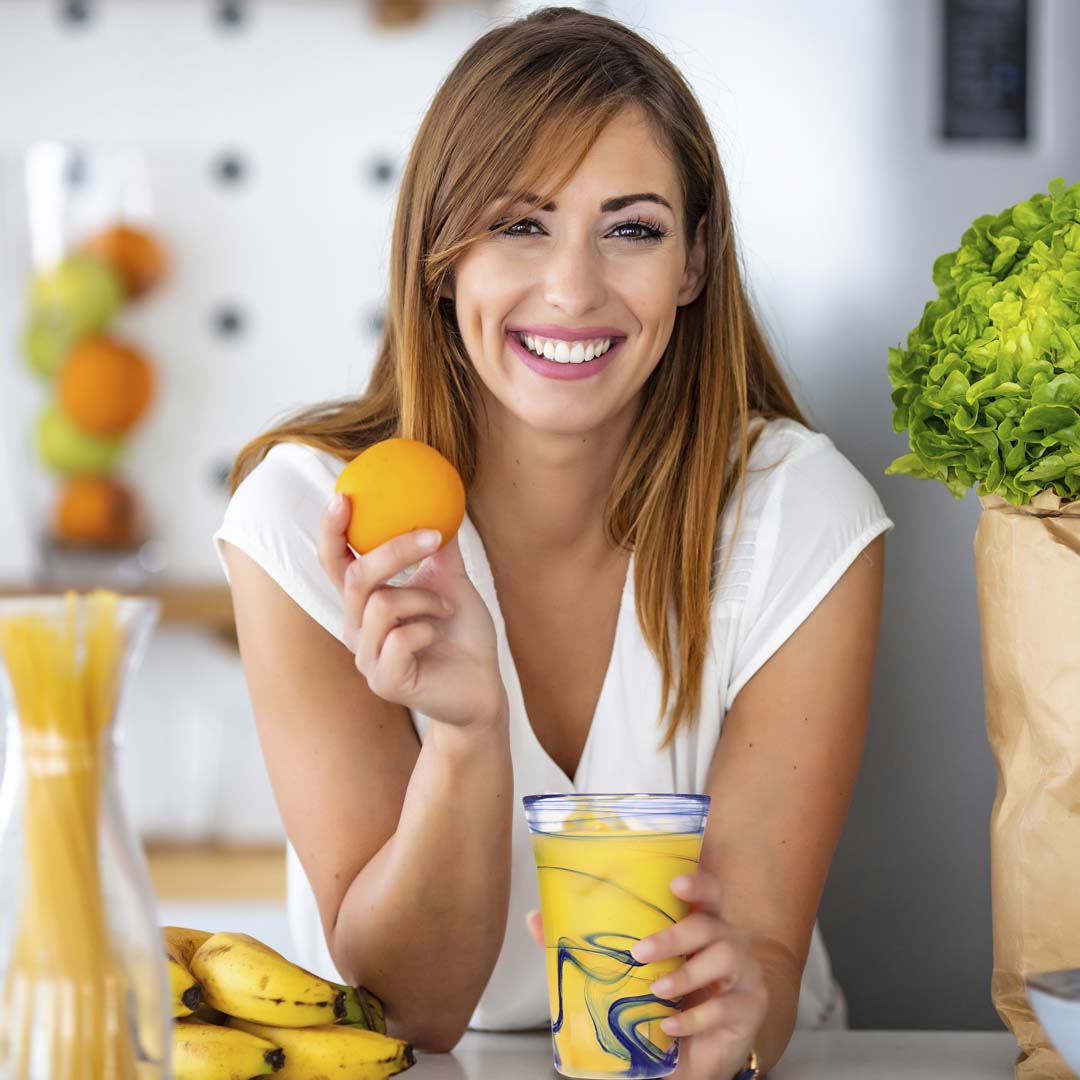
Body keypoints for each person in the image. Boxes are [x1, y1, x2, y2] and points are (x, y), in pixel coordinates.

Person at [213, 7, 892, 1078]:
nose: (572, 288)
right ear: (441, 257)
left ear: (695, 261)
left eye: (632, 228)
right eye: (519, 224)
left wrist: (737, 1017)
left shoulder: (798, 515)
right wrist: (470, 735)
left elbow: (758, 949)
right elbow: (413, 1011)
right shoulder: (306, 517)